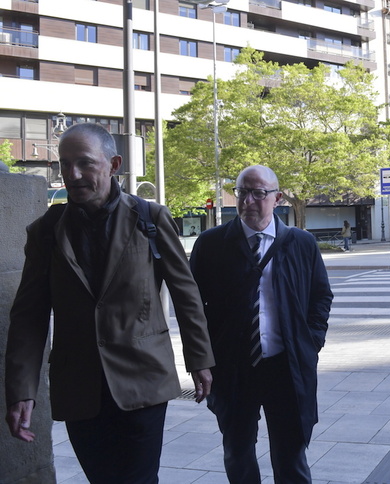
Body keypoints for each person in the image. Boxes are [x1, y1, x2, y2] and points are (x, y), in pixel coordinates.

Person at [5, 123, 215, 483]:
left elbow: (186, 294)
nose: (73, 175)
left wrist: (200, 360)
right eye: (65, 164)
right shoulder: (46, 231)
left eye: (85, 163)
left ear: (114, 164)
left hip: (143, 380)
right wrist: (22, 390)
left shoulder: (149, 218)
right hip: (78, 387)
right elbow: (29, 315)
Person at [190, 165, 333, 483]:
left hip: (286, 366)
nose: (248, 200)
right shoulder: (211, 244)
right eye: (242, 192)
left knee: (291, 454)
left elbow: (320, 297)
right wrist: (199, 360)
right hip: (232, 368)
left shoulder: (301, 244)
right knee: (238, 452)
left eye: (259, 193)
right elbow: (192, 307)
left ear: (277, 198)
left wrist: (310, 343)